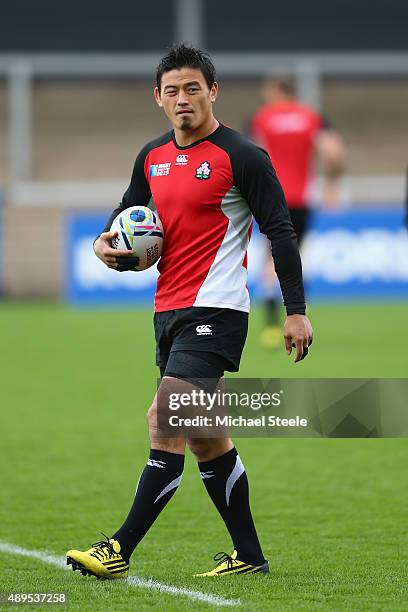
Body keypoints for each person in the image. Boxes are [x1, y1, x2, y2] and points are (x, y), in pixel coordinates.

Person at [66, 44, 313, 579]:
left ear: (213, 91)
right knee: (206, 436)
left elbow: (281, 231)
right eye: (172, 91)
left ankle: (118, 549)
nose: (183, 99)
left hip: (218, 309)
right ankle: (249, 555)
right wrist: (105, 245)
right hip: (168, 309)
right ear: (158, 98)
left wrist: (295, 310)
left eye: (193, 88)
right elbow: (127, 211)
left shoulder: (242, 156)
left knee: (165, 419)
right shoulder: (151, 156)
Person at [250, 74, 345, 348]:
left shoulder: (262, 118)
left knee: (271, 256)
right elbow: (334, 152)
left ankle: (269, 325)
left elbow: (252, 152)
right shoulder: (311, 117)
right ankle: (299, 317)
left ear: (274, 90)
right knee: (296, 255)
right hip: (302, 200)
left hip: (272, 197)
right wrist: (331, 184)